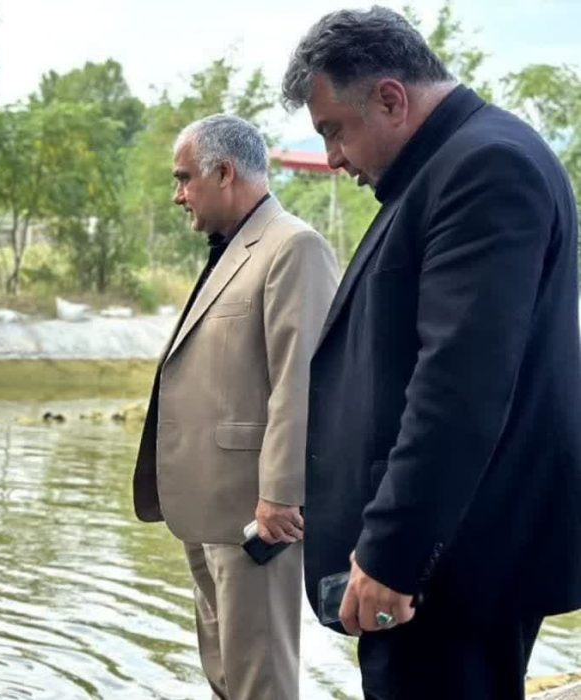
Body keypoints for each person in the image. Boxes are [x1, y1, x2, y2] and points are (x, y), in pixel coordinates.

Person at [282, 7, 581, 699]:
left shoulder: (485, 167)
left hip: (452, 564)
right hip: (448, 559)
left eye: (334, 130)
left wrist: (394, 553)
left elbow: (459, 385)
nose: (331, 158)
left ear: (390, 98)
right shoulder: (446, 165)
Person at [132, 115, 339, 699]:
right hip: (206, 507)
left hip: (256, 514)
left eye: (183, 178)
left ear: (223, 172)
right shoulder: (231, 249)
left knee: (260, 679)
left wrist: (280, 493)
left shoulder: (292, 246)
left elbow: (301, 382)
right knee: (225, 674)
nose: (177, 195)